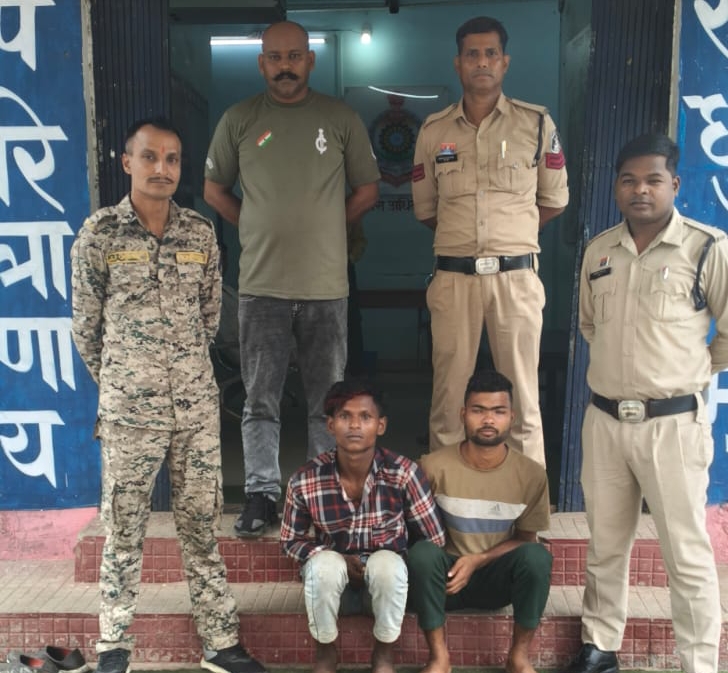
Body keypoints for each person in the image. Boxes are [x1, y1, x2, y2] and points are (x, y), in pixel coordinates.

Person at [70, 118, 266, 673]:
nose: (162, 169)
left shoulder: (199, 233)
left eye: (173, 159)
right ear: (126, 162)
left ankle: (220, 643)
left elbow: (209, 319)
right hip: (130, 415)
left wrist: (180, 376)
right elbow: (86, 329)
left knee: (202, 527)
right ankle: (114, 646)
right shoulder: (100, 234)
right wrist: (125, 383)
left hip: (196, 411)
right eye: (150, 157)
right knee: (123, 530)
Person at [204, 20, 381, 537]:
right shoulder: (240, 119)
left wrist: (329, 225)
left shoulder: (339, 118)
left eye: (295, 56)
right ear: (262, 63)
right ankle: (261, 493)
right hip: (262, 287)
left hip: (326, 288)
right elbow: (214, 189)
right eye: (276, 57)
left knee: (328, 401)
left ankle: (319, 496)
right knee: (260, 400)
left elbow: (368, 190)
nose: (285, 66)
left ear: (310, 60)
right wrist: (252, 223)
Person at [561, 133, 728, 673]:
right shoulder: (599, 251)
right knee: (606, 544)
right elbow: (590, 325)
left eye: (653, 180)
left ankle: (698, 662)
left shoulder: (707, 248)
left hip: (673, 426)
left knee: (685, 552)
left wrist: (686, 375)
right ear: (616, 186)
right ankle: (600, 646)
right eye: (629, 180)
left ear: (674, 184)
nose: (640, 190)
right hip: (606, 420)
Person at [411, 16, 569, 465]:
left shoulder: (535, 124)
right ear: (458, 63)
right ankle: (444, 497)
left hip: (516, 280)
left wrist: (512, 236)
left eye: (491, 54)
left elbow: (554, 201)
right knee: (448, 399)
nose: (482, 62)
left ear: (505, 62)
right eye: (472, 54)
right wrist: (467, 240)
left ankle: (526, 501)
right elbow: (427, 210)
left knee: (522, 400)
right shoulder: (434, 130)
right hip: (454, 280)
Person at [280, 379, 446, 673]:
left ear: (381, 425)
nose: (355, 425)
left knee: (387, 565)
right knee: (324, 565)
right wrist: (335, 557)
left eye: (365, 417)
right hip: (334, 589)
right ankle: (325, 653)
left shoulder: (404, 473)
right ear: (330, 425)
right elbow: (290, 540)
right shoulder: (305, 479)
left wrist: (397, 558)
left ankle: (383, 654)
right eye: (345, 416)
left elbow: (434, 538)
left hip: (384, 591)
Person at [408, 370, 552, 673]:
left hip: (495, 579)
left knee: (537, 557)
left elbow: (526, 539)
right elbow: (414, 530)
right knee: (421, 553)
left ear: (511, 417)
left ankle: (518, 658)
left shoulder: (531, 475)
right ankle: (439, 658)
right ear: (463, 415)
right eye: (478, 410)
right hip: (444, 580)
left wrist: (478, 560)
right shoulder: (432, 467)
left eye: (498, 411)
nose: (488, 420)